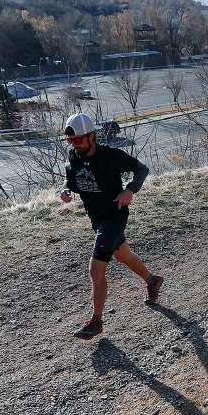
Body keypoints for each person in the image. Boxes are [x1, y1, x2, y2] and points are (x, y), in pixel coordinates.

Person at [58, 113, 163, 339]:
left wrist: (129, 190)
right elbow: (71, 178)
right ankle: (152, 280)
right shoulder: (73, 158)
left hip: (114, 217)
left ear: (92, 136)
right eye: (70, 141)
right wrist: (66, 190)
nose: (74, 144)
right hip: (96, 219)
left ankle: (96, 322)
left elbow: (141, 169)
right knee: (123, 255)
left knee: (95, 269)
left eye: (78, 140)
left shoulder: (111, 156)